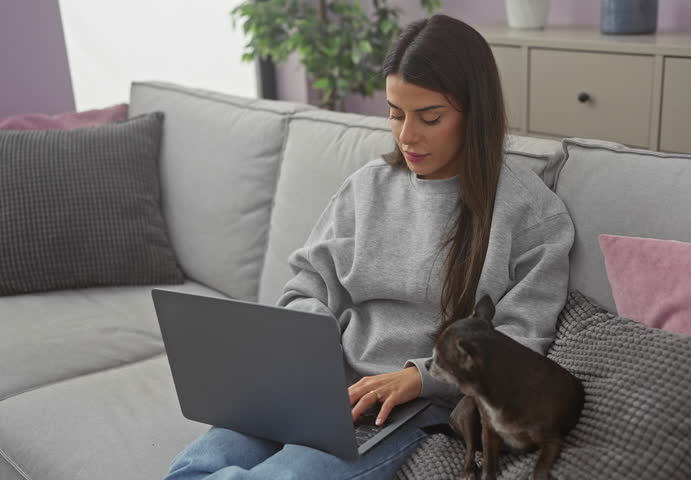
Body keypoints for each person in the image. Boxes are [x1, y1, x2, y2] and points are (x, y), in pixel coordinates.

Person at [164, 13, 574, 480]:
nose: (406, 135)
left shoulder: (531, 215)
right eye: (396, 114)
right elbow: (308, 286)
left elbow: (521, 343)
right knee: (195, 466)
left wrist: (422, 377)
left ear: (474, 113)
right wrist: (305, 352)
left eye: (429, 117)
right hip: (318, 388)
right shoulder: (367, 187)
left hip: (409, 409)